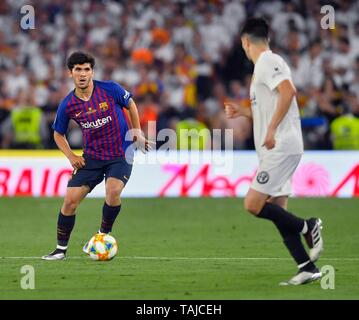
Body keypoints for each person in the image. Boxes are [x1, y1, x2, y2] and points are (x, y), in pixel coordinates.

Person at [224, 18, 324, 285]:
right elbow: (267, 109)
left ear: (246, 42)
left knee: (253, 204)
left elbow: (289, 91)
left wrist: (271, 130)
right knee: (278, 210)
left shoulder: (268, 61)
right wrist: (243, 111)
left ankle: (308, 225)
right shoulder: (262, 67)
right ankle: (307, 267)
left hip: (281, 146)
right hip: (276, 147)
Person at [42, 51, 153, 260]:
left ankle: (102, 235)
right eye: (78, 70)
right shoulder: (68, 104)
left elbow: (131, 104)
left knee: (112, 192)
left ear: (92, 72)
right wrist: (71, 157)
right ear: (70, 73)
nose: (82, 74)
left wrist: (137, 131)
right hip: (91, 158)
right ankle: (60, 250)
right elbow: (58, 133)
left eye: (86, 69)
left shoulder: (110, 89)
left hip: (120, 153)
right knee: (69, 202)